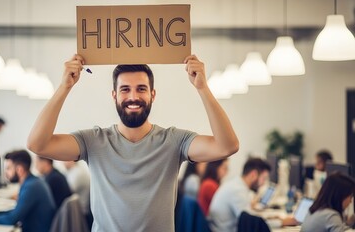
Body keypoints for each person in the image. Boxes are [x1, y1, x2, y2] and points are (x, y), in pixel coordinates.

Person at [27, 54, 239, 231]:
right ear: (115, 96)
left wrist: (202, 87)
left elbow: (227, 146)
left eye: (141, 89)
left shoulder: (174, 141)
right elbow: (38, 144)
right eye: (125, 89)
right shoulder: (93, 141)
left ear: (152, 95)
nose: (133, 96)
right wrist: (64, 87)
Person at [0, 150, 56, 232]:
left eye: (8, 168)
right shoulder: (33, 182)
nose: (6, 172)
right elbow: (16, 212)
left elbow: (12, 219)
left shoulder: (31, 187)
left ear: (19, 170)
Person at [209, 158, 297, 232]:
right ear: (253, 175)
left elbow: (250, 217)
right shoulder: (237, 191)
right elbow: (251, 224)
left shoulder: (236, 184)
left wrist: (271, 218)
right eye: (264, 178)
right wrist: (282, 222)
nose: (263, 184)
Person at [64, 160, 92, 228]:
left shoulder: (78, 173)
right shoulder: (73, 171)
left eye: (65, 160)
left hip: (82, 213)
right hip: (79, 211)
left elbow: (67, 191)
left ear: (71, 160)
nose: (63, 163)